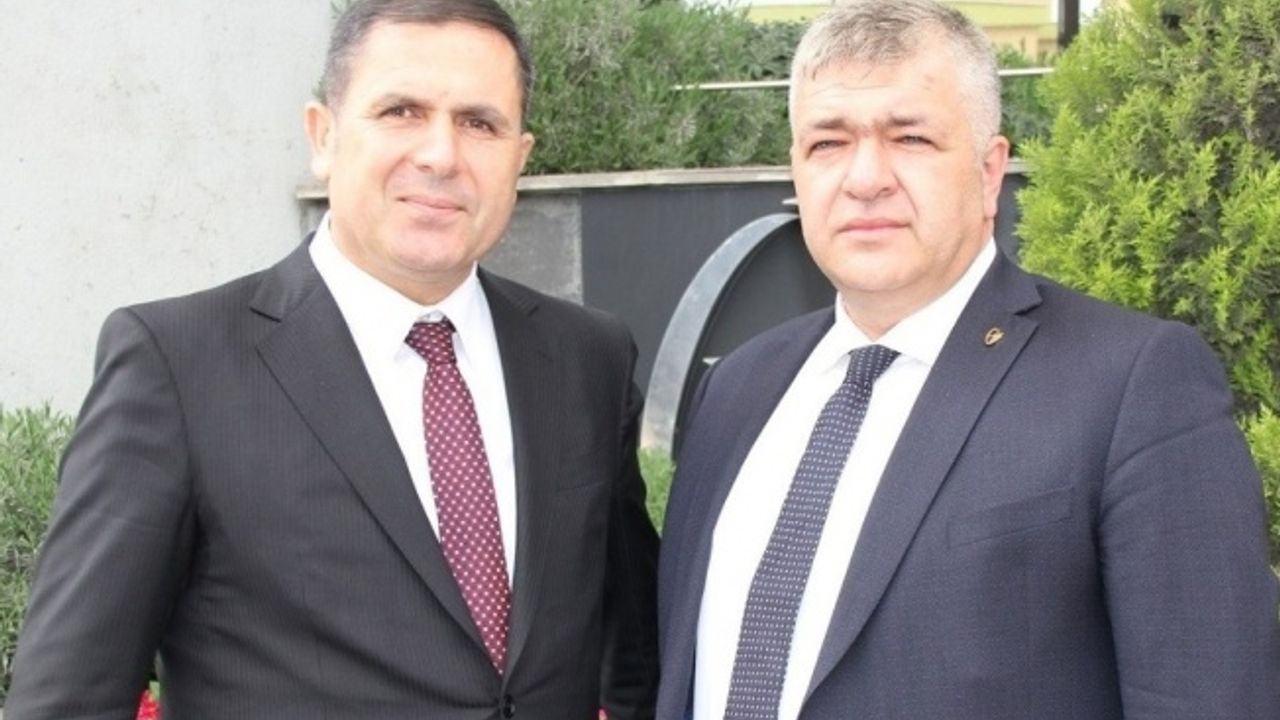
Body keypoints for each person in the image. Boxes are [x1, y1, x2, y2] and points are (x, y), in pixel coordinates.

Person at [8, 1, 659, 717]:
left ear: (520, 156)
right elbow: (67, 696)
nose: (441, 155)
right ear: (323, 136)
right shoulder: (177, 367)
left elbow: (635, 662)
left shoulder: (587, 361)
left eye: (479, 123)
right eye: (401, 111)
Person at [655, 1, 1280, 718]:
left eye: (910, 137)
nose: (865, 178)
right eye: (828, 142)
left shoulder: (1133, 386)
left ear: (989, 172)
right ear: (796, 171)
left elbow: (1207, 695)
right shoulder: (738, 388)